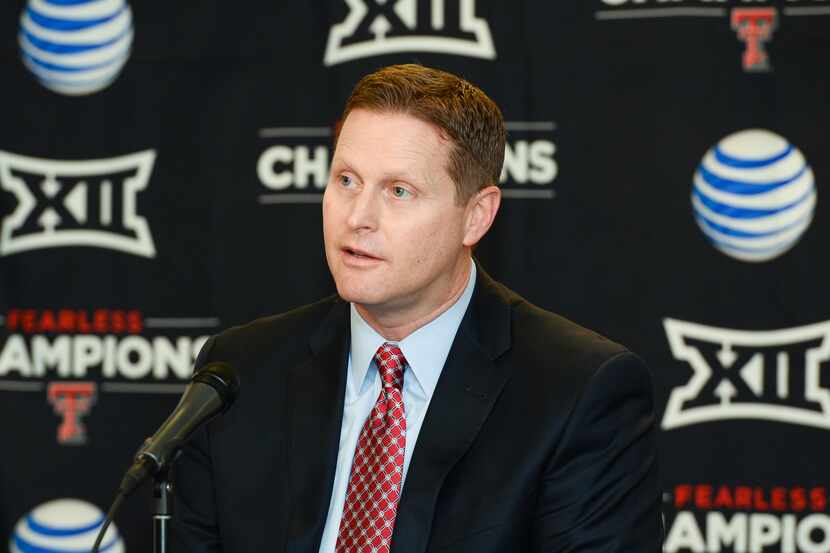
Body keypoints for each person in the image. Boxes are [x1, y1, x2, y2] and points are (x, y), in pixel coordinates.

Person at [172, 63, 662, 553]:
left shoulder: (578, 392)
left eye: (398, 191)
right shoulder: (240, 373)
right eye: (346, 180)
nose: (358, 217)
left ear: (476, 216)